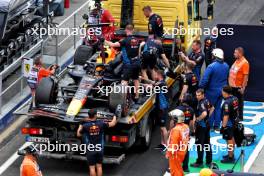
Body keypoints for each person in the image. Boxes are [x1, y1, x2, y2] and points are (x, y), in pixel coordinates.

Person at [105, 24, 141, 101]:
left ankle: (123, 99)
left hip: (129, 64)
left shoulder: (124, 40)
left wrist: (104, 40)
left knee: (124, 82)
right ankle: (137, 96)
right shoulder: (137, 40)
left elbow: (112, 44)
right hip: (137, 63)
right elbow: (137, 51)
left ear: (126, 30)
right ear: (133, 30)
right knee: (136, 80)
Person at [77, 109, 117, 176]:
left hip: (90, 149)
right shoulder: (101, 124)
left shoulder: (85, 126)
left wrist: (80, 124)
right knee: (99, 166)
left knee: (92, 168)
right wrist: (115, 116)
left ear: (88, 115)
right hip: (99, 149)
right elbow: (113, 123)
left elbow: (78, 134)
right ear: (95, 115)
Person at [199, 48, 229, 131]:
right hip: (222, 91)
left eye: (212, 55)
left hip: (211, 91)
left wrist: (201, 88)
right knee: (218, 108)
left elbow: (205, 80)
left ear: (215, 56)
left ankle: (211, 126)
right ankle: (217, 126)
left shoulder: (211, 66)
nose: (211, 56)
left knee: (210, 107)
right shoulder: (226, 65)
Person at [170, 93, 195, 172]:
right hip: (186, 132)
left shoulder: (178, 109)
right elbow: (191, 123)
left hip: (177, 132)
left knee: (174, 149)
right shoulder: (191, 110)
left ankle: (174, 166)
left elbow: (172, 121)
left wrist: (171, 131)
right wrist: (191, 132)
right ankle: (185, 167)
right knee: (185, 149)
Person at [191, 89, 214, 168]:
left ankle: (199, 162)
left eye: (199, 95)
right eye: (196, 95)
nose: (197, 97)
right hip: (206, 125)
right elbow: (212, 108)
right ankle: (209, 161)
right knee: (207, 143)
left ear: (203, 94)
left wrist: (198, 119)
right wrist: (207, 118)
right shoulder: (207, 100)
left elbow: (204, 113)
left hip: (201, 127)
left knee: (199, 145)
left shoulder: (201, 103)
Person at [229, 47, 250, 121]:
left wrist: (243, 88)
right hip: (232, 86)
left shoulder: (245, 63)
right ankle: (234, 115)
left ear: (240, 53)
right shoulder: (237, 61)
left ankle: (240, 117)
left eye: (235, 53)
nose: (234, 54)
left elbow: (245, 76)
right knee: (233, 102)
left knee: (239, 102)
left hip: (238, 87)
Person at [166, 109, 189, 176]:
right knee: (178, 168)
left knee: (175, 171)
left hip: (175, 153)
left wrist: (168, 153)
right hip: (183, 151)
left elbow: (173, 144)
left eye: (172, 119)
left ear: (175, 120)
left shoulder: (175, 130)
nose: (171, 121)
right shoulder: (186, 126)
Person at [220, 86, 239, 163]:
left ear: (225, 92)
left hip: (229, 123)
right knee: (232, 138)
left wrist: (223, 127)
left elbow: (226, 116)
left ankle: (230, 158)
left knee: (229, 140)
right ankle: (231, 154)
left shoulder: (227, 103)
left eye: (222, 91)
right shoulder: (235, 98)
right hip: (234, 121)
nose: (221, 93)